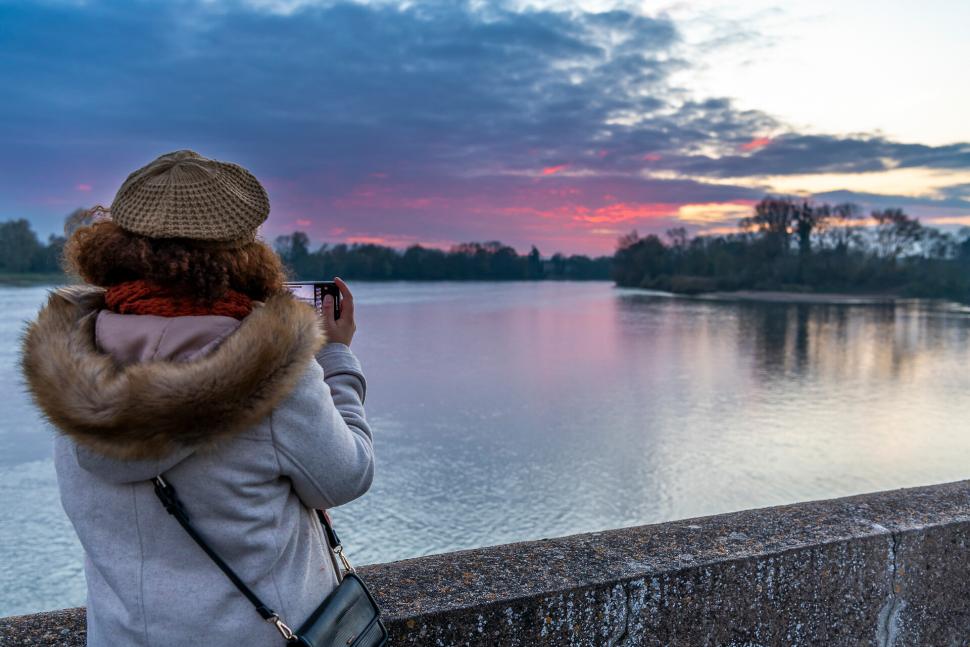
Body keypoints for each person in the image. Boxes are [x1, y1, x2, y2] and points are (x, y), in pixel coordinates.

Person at [20, 150, 374, 646]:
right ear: (242, 254)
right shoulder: (271, 372)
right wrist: (335, 358)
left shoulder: (74, 365)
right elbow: (348, 475)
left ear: (117, 245)